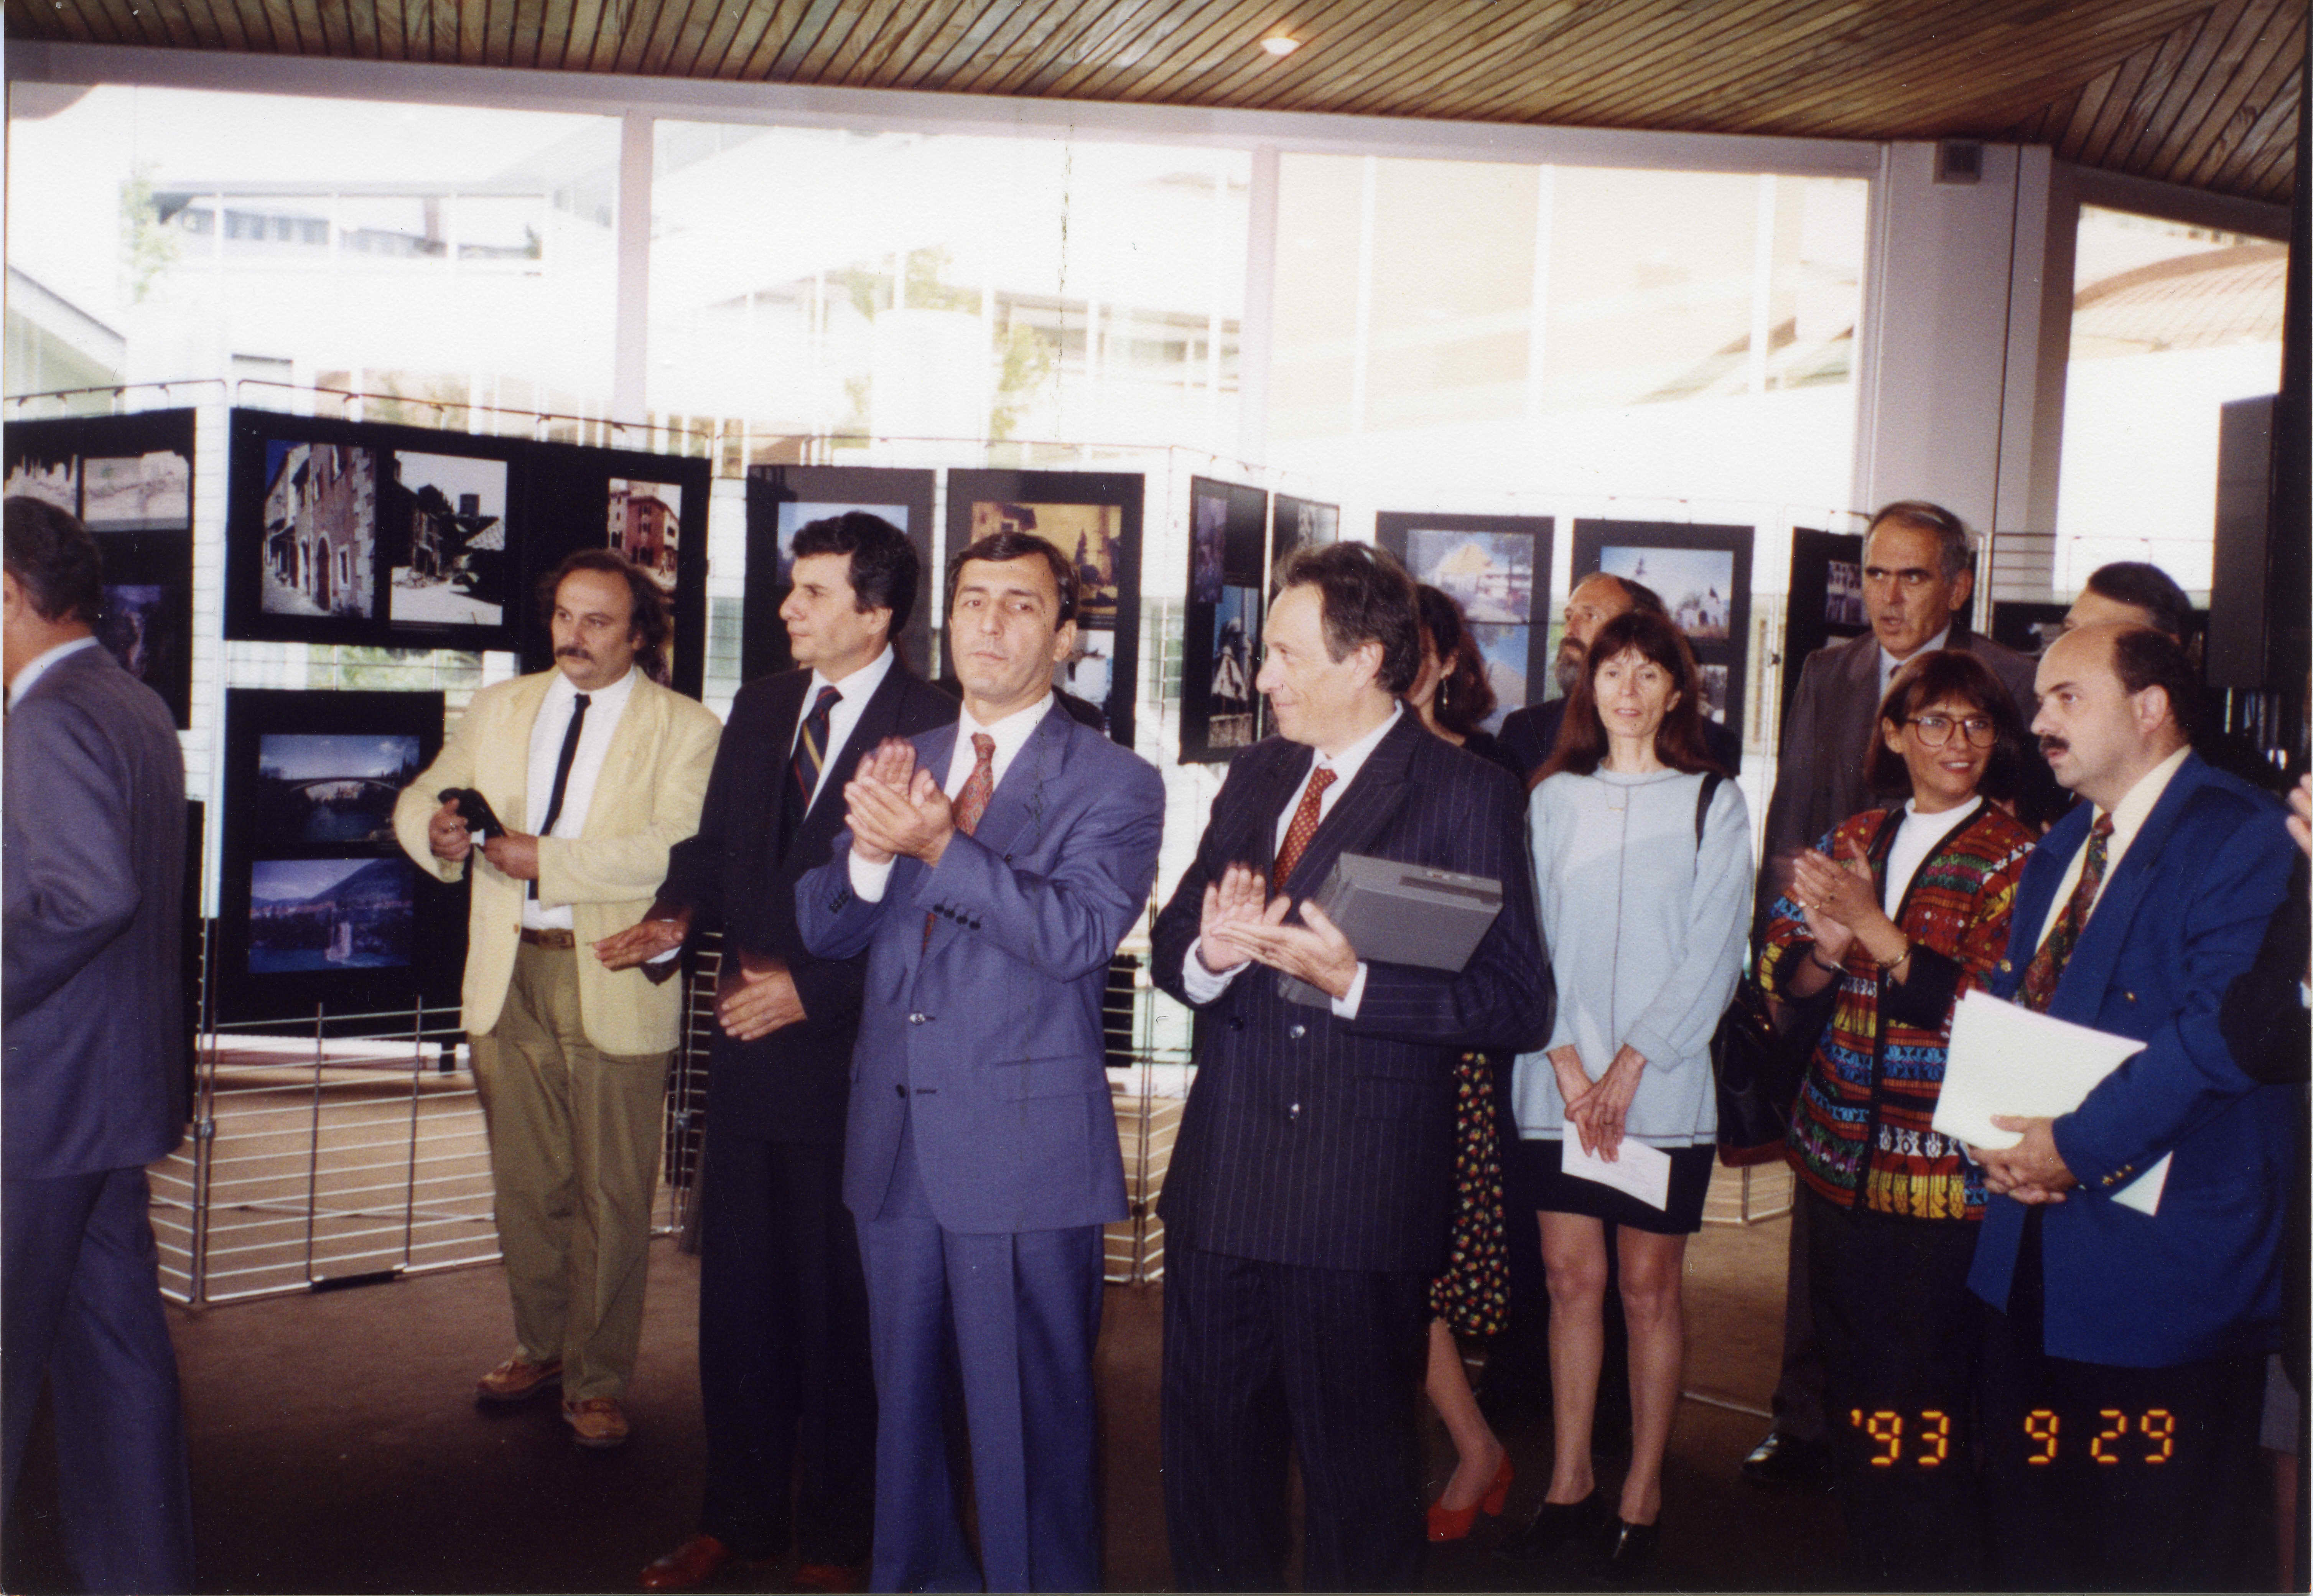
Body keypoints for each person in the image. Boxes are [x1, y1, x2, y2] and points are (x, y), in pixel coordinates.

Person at [1151, 542, 1549, 1591]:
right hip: (1221, 1189)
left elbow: (1517, 1002)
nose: (1262, 677)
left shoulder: (1464, 793)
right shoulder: (1257, 773)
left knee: (1358, 1495)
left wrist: (1355, 983)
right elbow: (1172, 937)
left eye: (1284, 654)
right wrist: (1210, 953)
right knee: (1209, 1482)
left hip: (1355, 1198)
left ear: (1365, 658)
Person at [793, 530, 1163, 1593]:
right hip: (894, 1141)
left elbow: (1074, 935)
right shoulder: (902, 752)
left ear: (1066, 636)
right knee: (901, 1423)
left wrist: (934, 847)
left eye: (1019, 604)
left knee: (1028, 1428)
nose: (988, 623)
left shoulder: (1115, 781)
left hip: (1021, 1149)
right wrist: (870, 857)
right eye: (971, 600)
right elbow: (822, 926)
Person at [604, 515, 954, 1592]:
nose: (787, 609)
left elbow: (935, 915)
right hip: (746, 1057)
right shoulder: (762, 705)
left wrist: (815, 992)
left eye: (812, 593)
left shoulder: (936, 725)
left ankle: (838, 1539)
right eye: (791, 587)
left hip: (856, 1067)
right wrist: (673, 916)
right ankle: (737, 1517)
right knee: (742, 1306)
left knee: (842, 1310)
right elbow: (714, 848)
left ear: (875, 614)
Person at [1965, 622, 2295, 1591]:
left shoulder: (2242, 833)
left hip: (2163, 1276)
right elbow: (2021, 1009)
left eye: (2066, 698)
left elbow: (2218, 1037)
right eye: (2040, 700)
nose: (2038, 722)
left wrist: (2070, 1147)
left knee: (2153, 1550)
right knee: (2034, 1537)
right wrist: (1988, 1135)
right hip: (2029, 1254)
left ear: (2150, 708)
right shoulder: (2066, 840)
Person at [392, 549, 721, 1448]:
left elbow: (675, 846)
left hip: (612, 972)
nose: (574, 635)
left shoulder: (687, 727)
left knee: (613, 1191)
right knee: (527, 1186)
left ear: (641, 634)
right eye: (565, 615)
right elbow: (424, 791)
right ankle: (540, 1347)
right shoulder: (500, 705)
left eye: (598, 621)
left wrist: (551, 861)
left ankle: (597, 1377)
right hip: (509, 974)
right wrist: (436, 829)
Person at [1745, 499, 2039, 1489]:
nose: (1888, 594)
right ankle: (1806, 1419)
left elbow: (2001, 978)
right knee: (1832, 1278)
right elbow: (1792, 818)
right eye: (1874, 573)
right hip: (1837, 1063)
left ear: (1957, 585)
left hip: (1943, 1108)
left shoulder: (2013, 684)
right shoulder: (1826, 675)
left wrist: (1881, 933)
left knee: (1929, 1360)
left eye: (1912, 575)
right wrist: (1796, 963)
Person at [1501, 606, 1750, 1583]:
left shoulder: (1711, 800)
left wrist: (1629, 1067)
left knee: (1648, 1290)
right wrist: (1570, 1066)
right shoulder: (1548, 798)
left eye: (1651, 672)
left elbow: (1713, 952)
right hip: (1555, 1082)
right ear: (1588, 685)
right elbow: (1525, 941)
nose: (1629, 690)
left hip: (1661, 1085)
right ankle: (1568, 1483)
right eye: (1613, 671)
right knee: (1571, 1283)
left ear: (1679, 690)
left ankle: (1641, 1491)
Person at [2, 496, 195, 1594]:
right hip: (109, 1104)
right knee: (120, 1367)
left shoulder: (44, 717)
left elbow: (88, 896)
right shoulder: (131, 698)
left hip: (36, 1107)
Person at [1406, 583, 1519, 1541]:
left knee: (1421, 1269)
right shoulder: (1332, 757)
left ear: (1448, 661)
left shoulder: (1484, 771)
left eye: (1417, 645)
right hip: (1347, 1040)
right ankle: (1470, 1443)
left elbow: (1505, 932)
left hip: (1444, 1044)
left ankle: (1474, 1443)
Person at [1497, 570, 1741, 779]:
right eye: (1569, 616)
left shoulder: (1710, 743)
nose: (1570, 629)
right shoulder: (1525, 730)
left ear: (1639, 631)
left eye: (1591, 615)